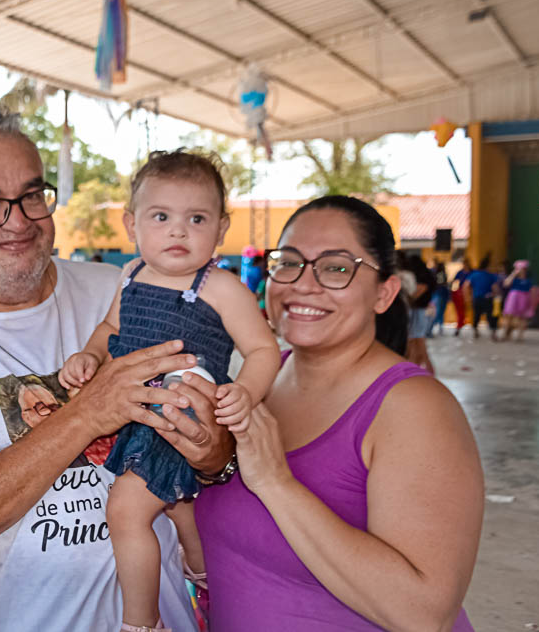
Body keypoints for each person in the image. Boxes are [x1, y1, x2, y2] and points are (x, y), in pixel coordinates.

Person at [0, 106, 233, 632]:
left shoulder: (123, 289)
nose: (18, 221)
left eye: (32, 195)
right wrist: (87, 413)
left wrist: (212, 452)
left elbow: (220, 454)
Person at [195, 195, 482, 630]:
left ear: (384, 293)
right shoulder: (262, 382)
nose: (302, 284)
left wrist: (276, 482)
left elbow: (426, 614)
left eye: (336, 267)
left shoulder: (413, 408)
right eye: (288, 262)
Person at [59, 150, 280, 632]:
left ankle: (141, 622)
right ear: (131, 224)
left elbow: (265, 349)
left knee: (125, 511)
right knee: (180, 507)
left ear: (221, 229)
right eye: (161, 217)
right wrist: (91, 356)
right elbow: (109, 327)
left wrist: (245, 392)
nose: (178, 231)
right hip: (136, 413)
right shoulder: (132, 275)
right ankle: (204, 577)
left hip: (181, 417)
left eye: (196, 218)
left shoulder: (219, 287)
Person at [403, 254, 436, 373]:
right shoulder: (427, 275)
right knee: (418, 345)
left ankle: (424, 372)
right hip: (421, 310)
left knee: (416, 344)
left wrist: (406, 300)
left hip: (416, 311)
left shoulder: (419, 278)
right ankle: (421, 371)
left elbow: (420, 289)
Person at [464, 256, 499, 339]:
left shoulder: (474, 275)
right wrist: (495, 295)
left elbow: (466, 286)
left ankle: (475, 331)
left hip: (477, 298)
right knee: (491, 316)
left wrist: (468, 297)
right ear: (487, 266)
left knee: (476, 315)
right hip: (487, 298)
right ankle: (493, 333)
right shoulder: (491, 276)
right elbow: (495, 288)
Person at [500, 260, 535, 342]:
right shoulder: (514, 279)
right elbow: (506, 284)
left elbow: (532, 291)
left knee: (522, 317)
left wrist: (531, 303)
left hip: (524, 298)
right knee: (508, 316)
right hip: (513, 297)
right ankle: (506, 333)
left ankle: (520, 336)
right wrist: (513, 274)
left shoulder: (529, 280)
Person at [450, 258, 471, 336]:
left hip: (470, 293)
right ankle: (459, 326)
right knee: (460, 311)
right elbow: (454, 281)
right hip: (461, 293)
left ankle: (472, 326)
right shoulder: (460, 272)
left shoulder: (472, 272)